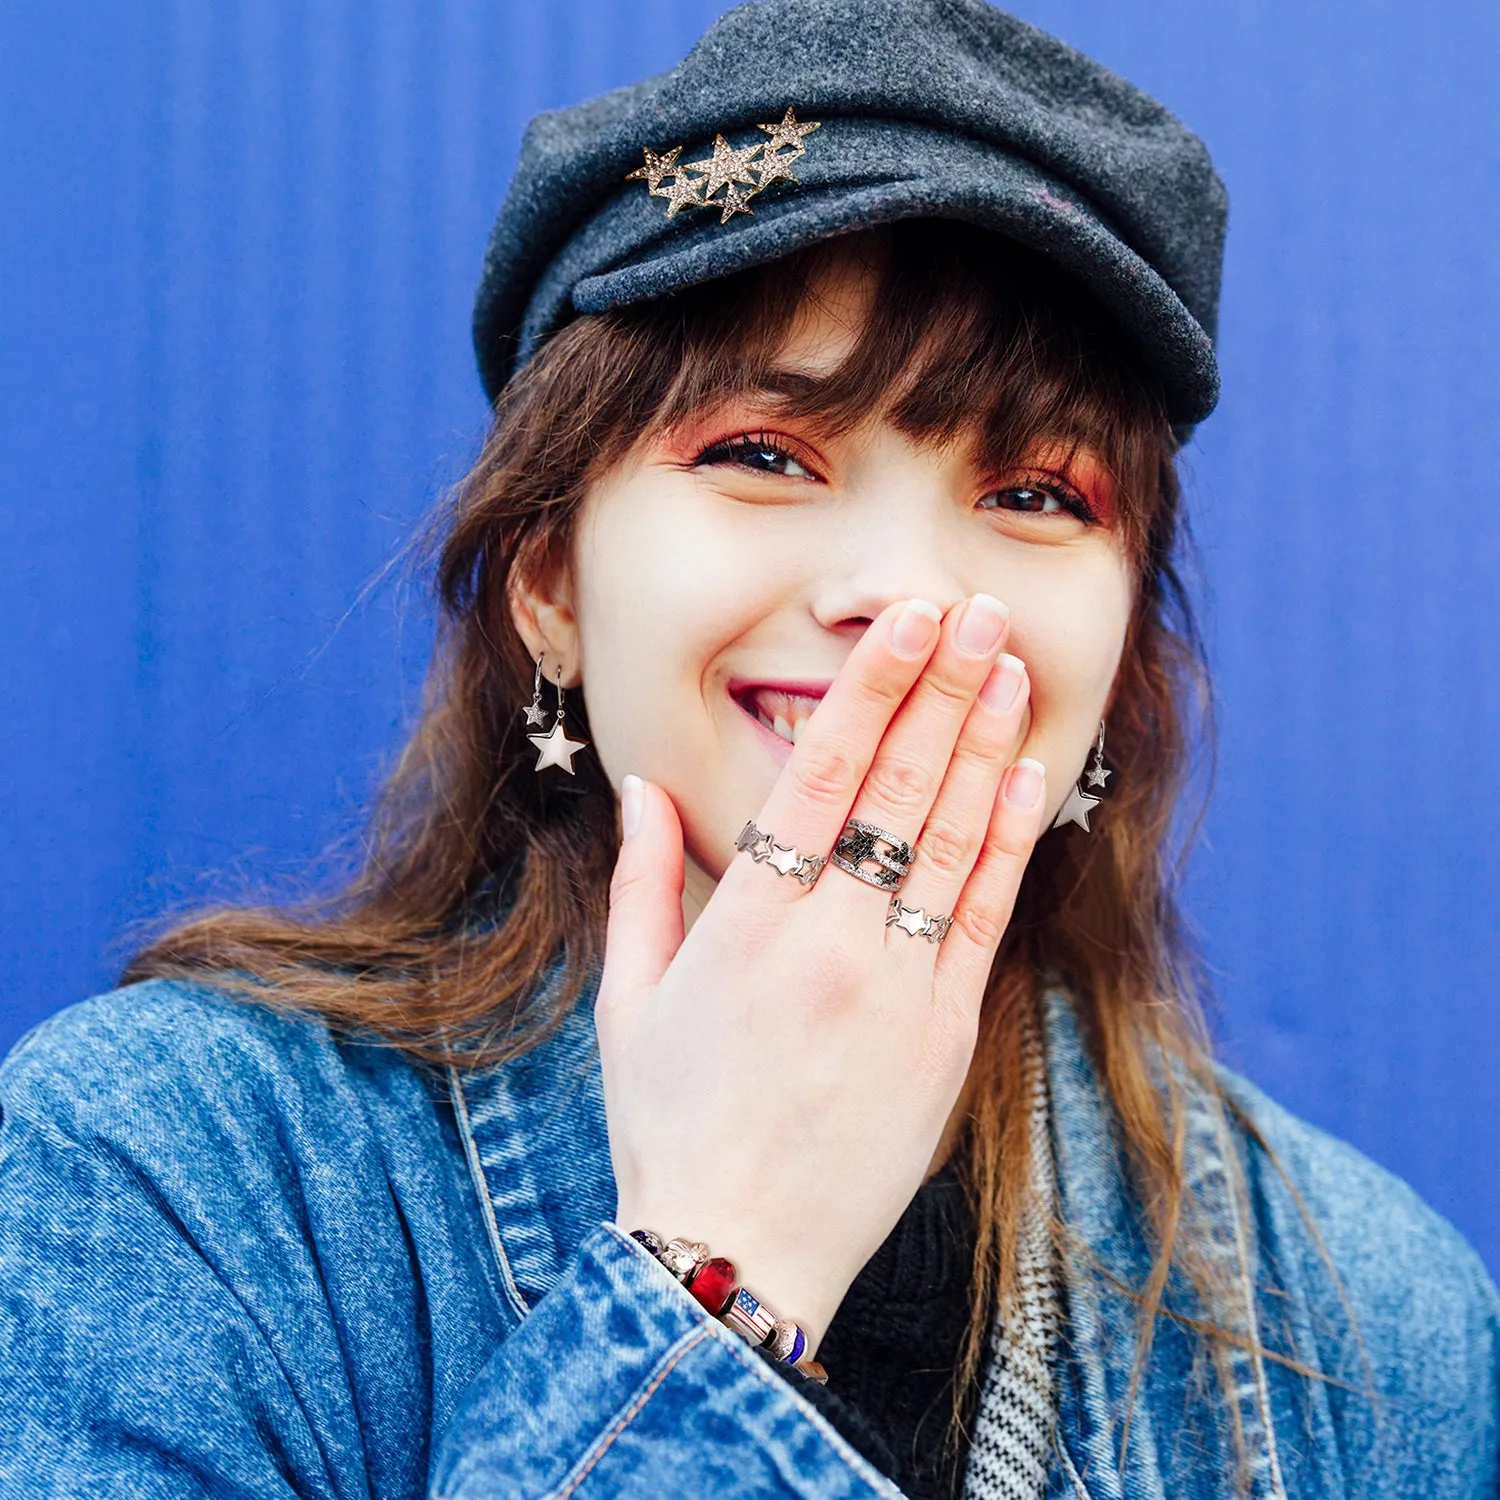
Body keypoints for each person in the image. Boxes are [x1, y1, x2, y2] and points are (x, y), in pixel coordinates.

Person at [2, 1, 1496, 1495]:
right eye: (765, 456)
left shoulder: (1383, 1333)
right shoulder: (173, 1186)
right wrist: (716, 1279)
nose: (907, 596)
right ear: (549, 581)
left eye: (1039, 493)